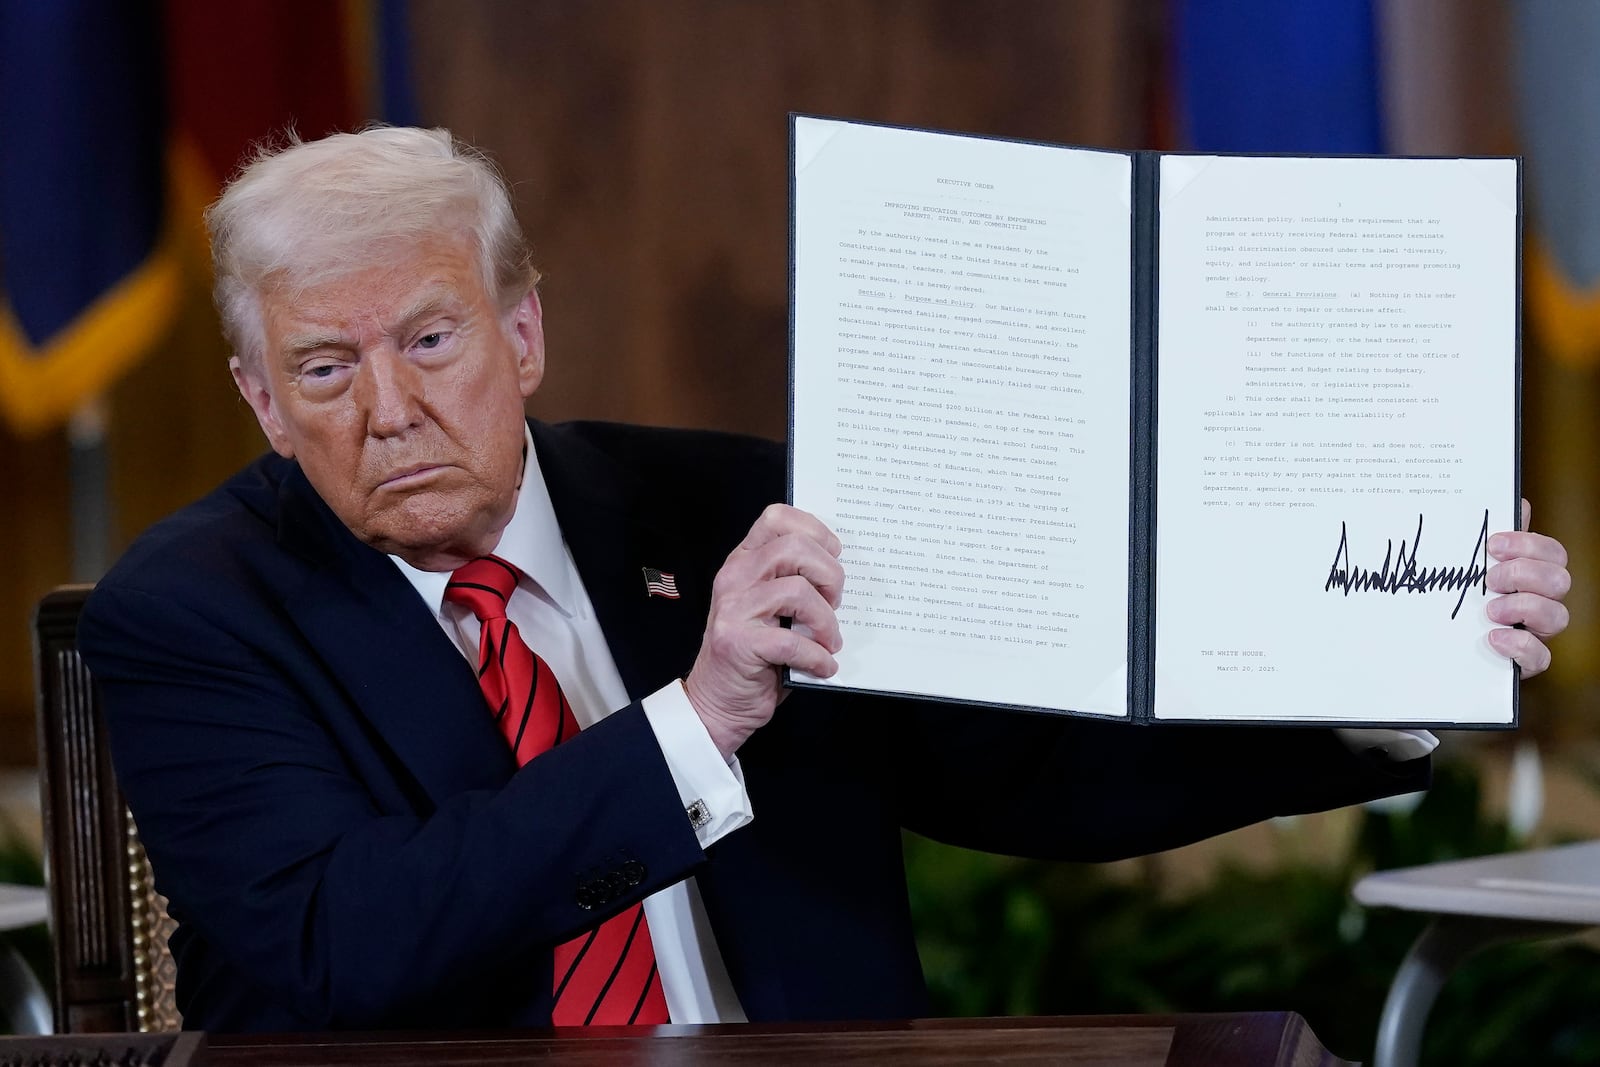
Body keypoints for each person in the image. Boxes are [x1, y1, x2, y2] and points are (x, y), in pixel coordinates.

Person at [78, 127, 1572, 1033]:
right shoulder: (194, 613)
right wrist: (702, 716)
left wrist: (1385, 667)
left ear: (521, 338)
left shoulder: (729, 505)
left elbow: (1020, 764)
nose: (386, 409)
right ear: (262, 401)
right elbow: (348, 941)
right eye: (323, 368)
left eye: (428, 340)